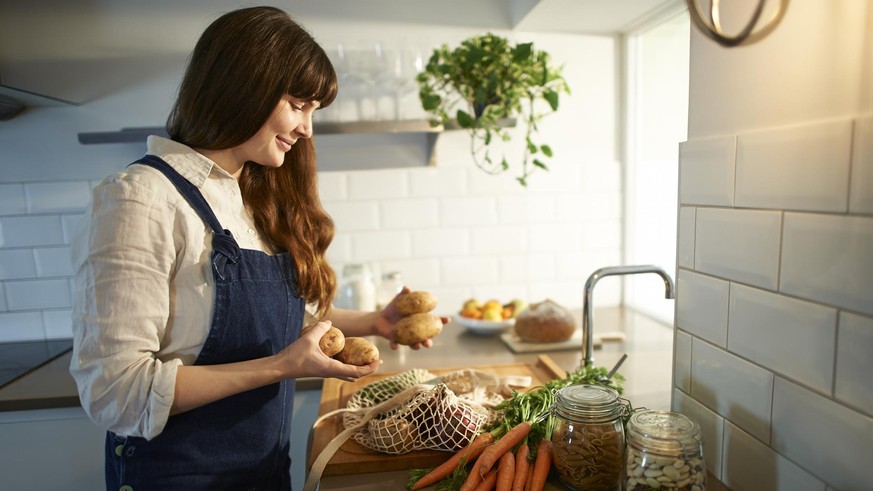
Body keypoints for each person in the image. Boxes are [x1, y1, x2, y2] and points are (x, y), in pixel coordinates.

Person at [69, 6, 445, 489]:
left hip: (265, 472)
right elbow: (116, 393)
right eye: (297, 104)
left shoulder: (251, 198)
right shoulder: (138, 199)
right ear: (241, 88)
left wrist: (376, 322)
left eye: (313, 110)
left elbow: (285, 314)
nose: (307, 128)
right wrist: (281, 367)